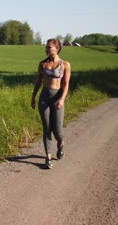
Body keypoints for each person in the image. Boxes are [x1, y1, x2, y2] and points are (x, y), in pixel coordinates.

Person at [31, 39, 71, 169]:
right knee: (47, 128)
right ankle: (48, 157)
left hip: (57, 99)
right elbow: (38, 82)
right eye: (46, 48)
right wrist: (33, 97)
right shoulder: (42, 64)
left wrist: (62, 99)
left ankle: (60, 143)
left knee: (57, 130)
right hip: (44, 98)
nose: (47, 50)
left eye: (49, 47)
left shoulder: (65, 64)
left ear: (57, 48)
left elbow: (65, 85)